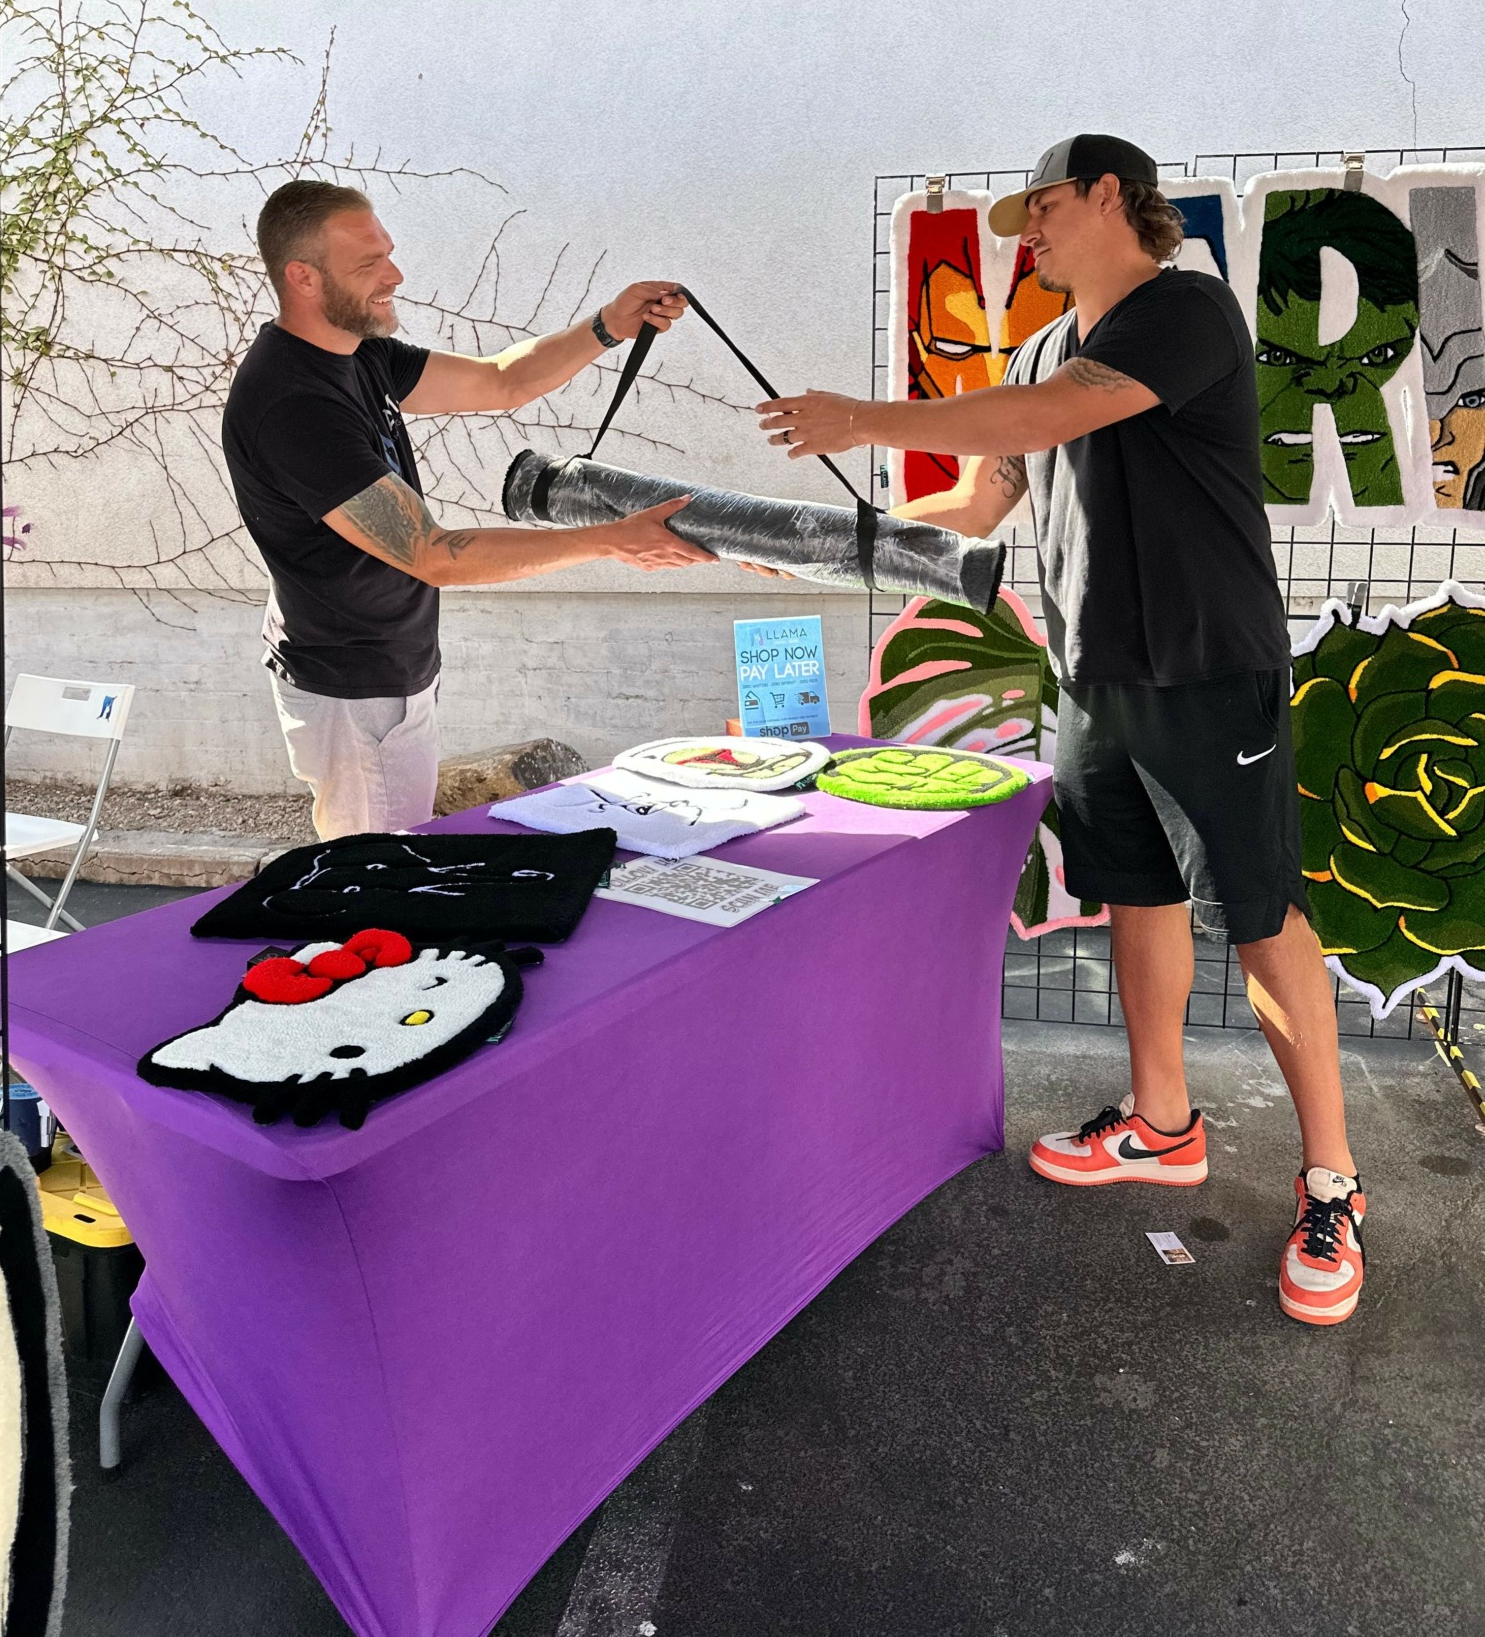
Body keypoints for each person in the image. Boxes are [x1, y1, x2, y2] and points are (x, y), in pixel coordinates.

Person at [754, 133, 1366, 1328]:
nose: (1026, 235)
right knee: (1134, 892)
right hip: (1093, 677)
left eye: (1040, 208)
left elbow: (1049, 413)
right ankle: (1163, 1124)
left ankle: (1334, 1182)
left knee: (1261, 917)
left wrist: (859, 416)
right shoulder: (1038, 343)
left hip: (1209, 672)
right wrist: (811, 538)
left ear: (1108, 195)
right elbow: (978, 500)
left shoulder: (1185, 311)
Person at [224, 179, 715, 840]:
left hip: (385, 670)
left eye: (388, 253)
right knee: (381, 878)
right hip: (354, 690)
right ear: (303, 277)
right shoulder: (295, 405)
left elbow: (501, 380)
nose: (395, 275)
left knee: (395, 867)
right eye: (369, 264)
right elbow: (432, 555)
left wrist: (609, 326)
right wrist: (613, 540)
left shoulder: (356, 352)